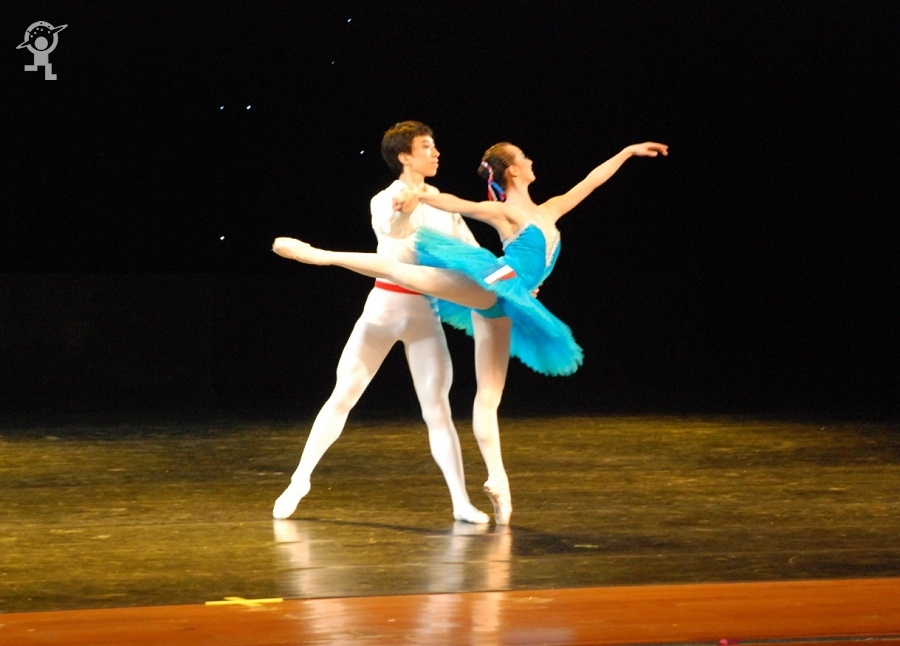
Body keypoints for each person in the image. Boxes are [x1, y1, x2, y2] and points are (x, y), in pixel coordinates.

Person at [273, 141, 669, 525]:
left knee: (480, 400)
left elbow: (591, 181)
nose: (532, 161)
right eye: (524, 157)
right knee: (395, 279)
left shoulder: (550, 208)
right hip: (449, 294)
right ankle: (318, 255)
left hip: (495, 299)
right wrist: (418, 196)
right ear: (513, 170)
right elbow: (452, 206)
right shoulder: (495, 210)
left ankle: (491, 486)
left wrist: (626, 152)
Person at [271, 121, 490, 525]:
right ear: (405, 156)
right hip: (384, 308)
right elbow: (394, 230)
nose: (436, 153)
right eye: (427, 147)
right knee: (343, 395)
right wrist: (405, 206)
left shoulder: (444, 203)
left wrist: (510, 283)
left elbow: (475, 255)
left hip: (425, 313)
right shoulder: (384, 199)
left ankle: (460, 501)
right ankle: (299, 480)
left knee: (438, 409)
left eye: (434, 146)